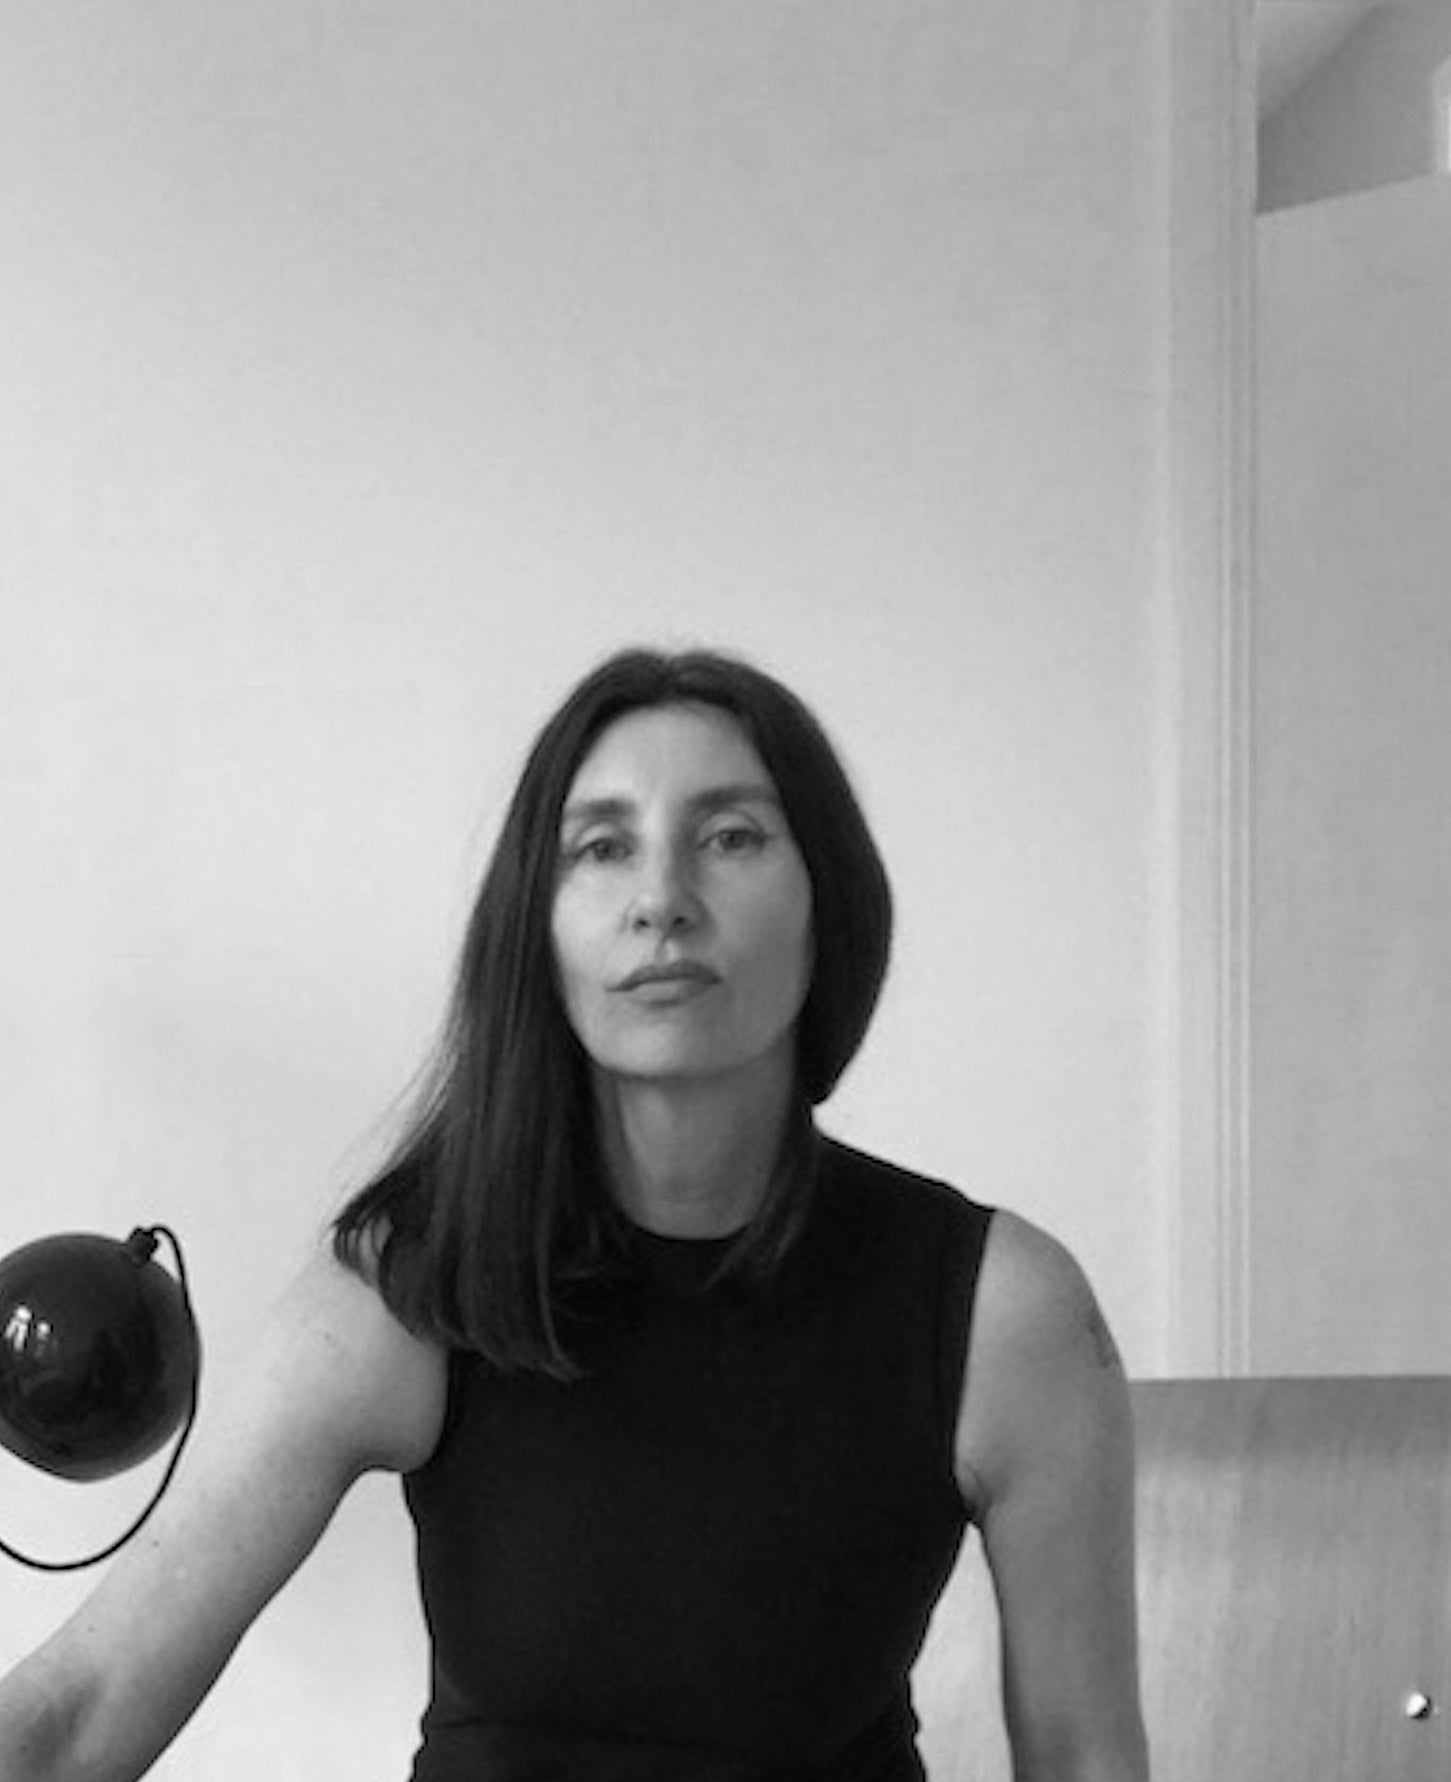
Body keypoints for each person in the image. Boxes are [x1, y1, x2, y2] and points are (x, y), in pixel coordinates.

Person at [0, 647, 1148, 1781]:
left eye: (730, 837)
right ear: (535, 930)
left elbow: (1087, 1756)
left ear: (827, 900)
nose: (662, 902)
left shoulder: (1003, 1312)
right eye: (601, 848)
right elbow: (80, 1709)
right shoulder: (409, 1287)